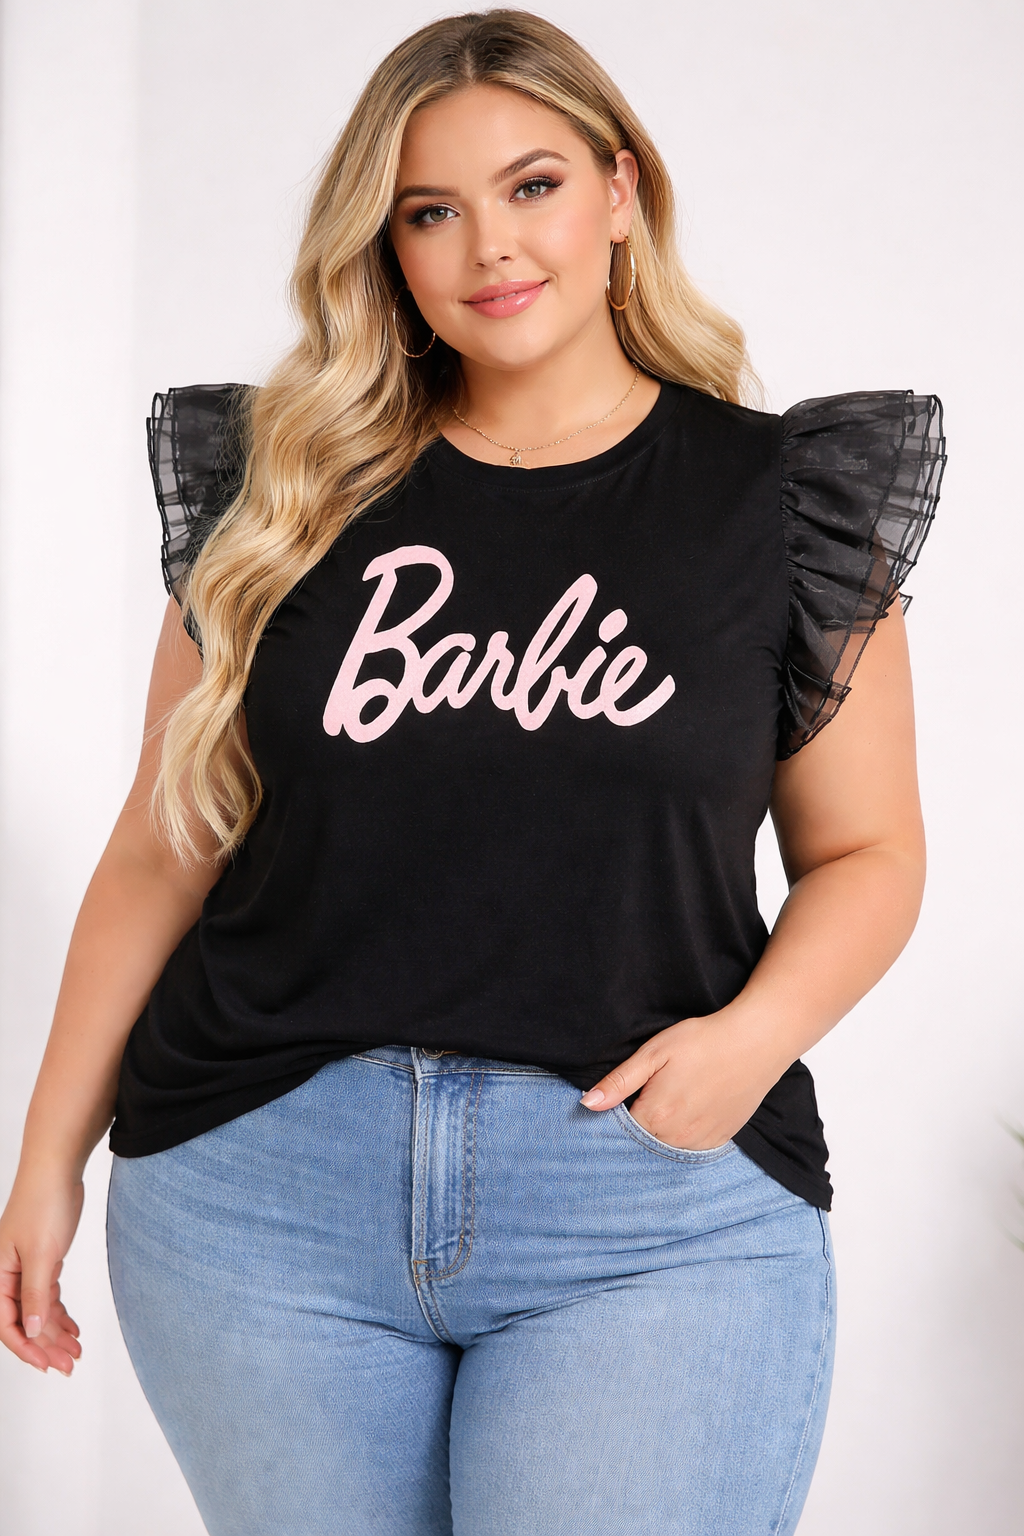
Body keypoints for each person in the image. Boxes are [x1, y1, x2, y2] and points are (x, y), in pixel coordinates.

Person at [0, 10, 945, 1535]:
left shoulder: (777, 503)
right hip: (260, 1200)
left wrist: (751, 1041)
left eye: (533, 187)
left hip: (642, 1209)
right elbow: (165, 847)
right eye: (429, 211)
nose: (488, 246)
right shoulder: (286, 492)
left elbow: (870, 855)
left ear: (621, 191)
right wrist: (47, 1154)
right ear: (383, 247)